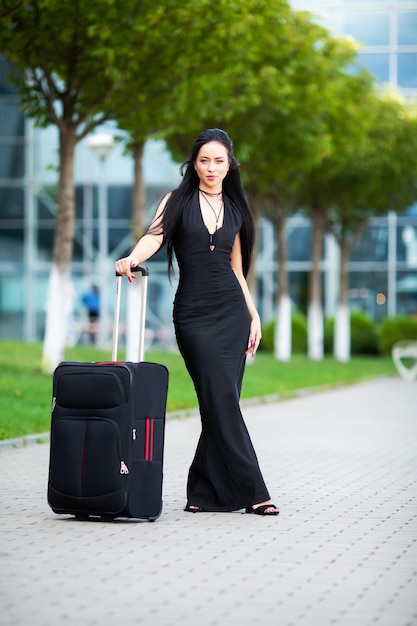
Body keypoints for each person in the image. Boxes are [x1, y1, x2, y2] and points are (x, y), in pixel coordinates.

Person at [115, 128, 279, 516]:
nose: (211, 168)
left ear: (229, 165)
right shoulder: (176, 201)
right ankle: (253, 489)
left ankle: (204, 493)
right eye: (204, 160)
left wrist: (254, 315)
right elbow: (154, 236)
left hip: (233, 313)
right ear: (193, 163)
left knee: (219, 401)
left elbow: (237, 270)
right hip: (193, 315)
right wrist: (132, 258)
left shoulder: (236, 209)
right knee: (220, 398)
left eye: (219, 161)